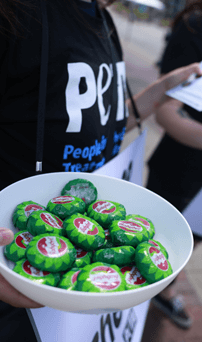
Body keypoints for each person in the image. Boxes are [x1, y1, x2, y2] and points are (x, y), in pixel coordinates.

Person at [0, 0, 201, 341]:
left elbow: (96, 122)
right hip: (2, 287)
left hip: (83, 308)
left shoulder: (101, 16)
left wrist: (161, 91)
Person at [146, 0, 202, 330]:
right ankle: (152, 292)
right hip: (179, 169)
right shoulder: (195, 26)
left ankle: (163, 285)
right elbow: (166, 112)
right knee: (159, 238)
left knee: (189, 240)